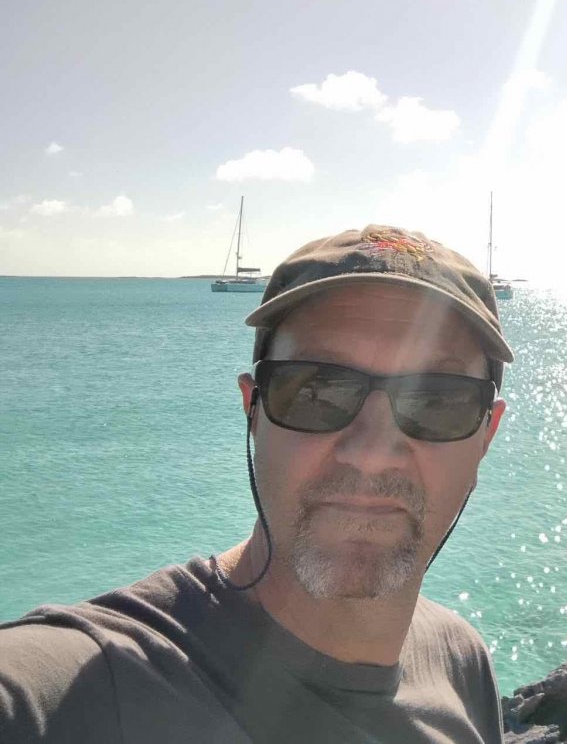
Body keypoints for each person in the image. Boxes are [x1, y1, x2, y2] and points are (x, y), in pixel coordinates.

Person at [0, 225, 515, 743]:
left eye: (437, 400)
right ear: (253, 410)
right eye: (315, 390)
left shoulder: (460, 665)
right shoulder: (73, 691)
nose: (371, 452)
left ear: (486, 436)